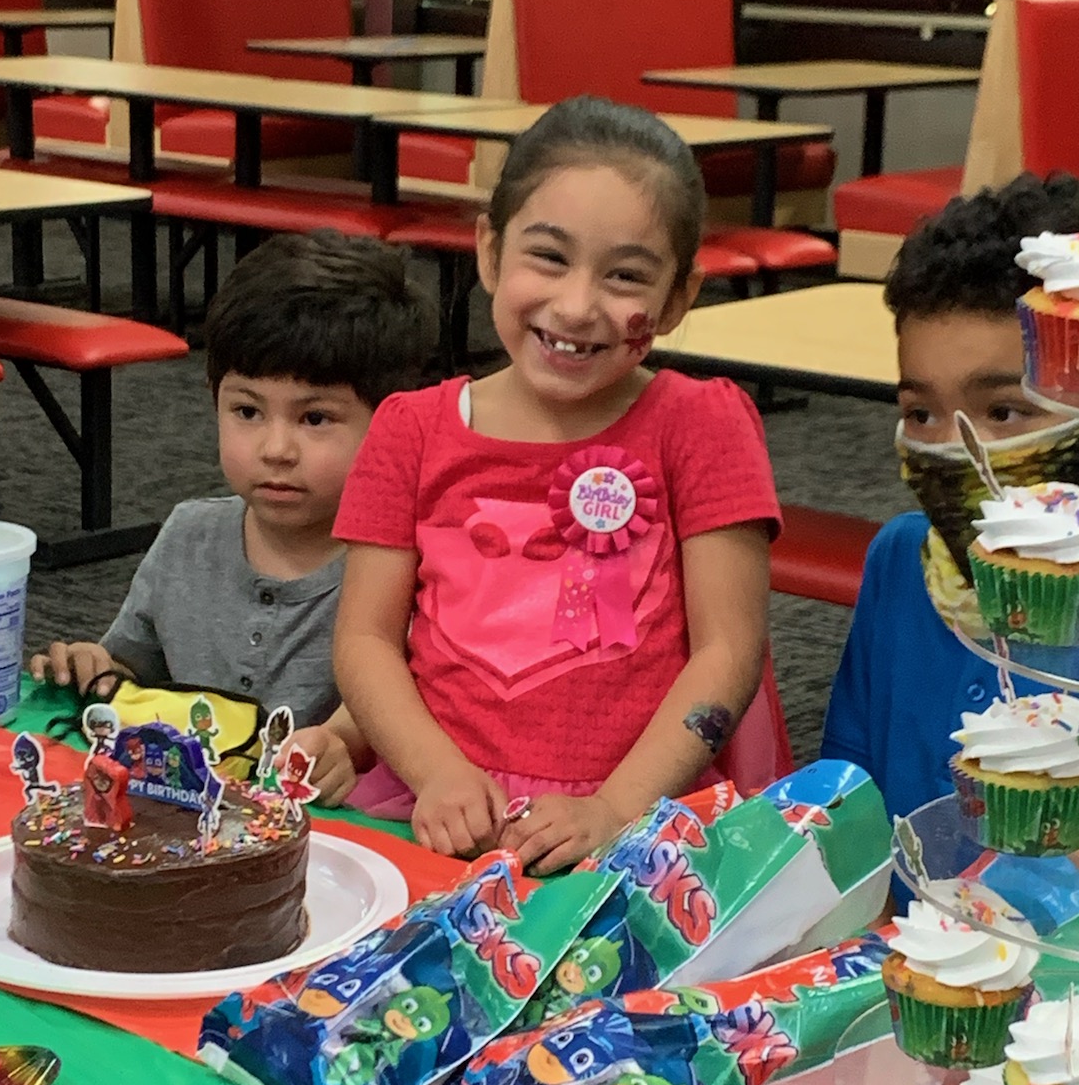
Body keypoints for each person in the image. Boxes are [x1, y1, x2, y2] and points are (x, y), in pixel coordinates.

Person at [332, 96, 782, 873]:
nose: (577, 305)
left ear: (677, 300)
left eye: (626, 276)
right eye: (548, 257)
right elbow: (366, 639)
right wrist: (435, 772)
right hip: (437, 811)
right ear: (488, 251)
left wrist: (615, 807)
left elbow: (728, 650)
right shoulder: (411, 428)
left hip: (637, 816)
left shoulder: (703, 425)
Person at [822, 173, 1079, 922]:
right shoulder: (902, 562)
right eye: (921, 413)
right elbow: (848, 795)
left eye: (1003, 411)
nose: (959, 450)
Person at [29, 231, 426, 804]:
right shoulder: (190, 534)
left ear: (391, 423)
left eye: (315, 419)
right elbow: (136, 671)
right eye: (246, 411)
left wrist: (349, 748)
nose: (276, 449)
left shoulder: (402, 569)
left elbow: (413, 713)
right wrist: (98, 666)